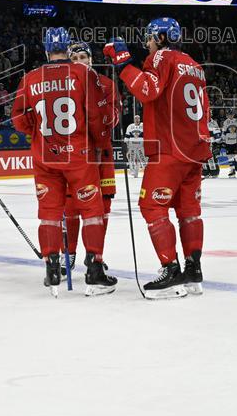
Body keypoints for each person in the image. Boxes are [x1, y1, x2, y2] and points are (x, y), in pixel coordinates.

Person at [103, 17, 210, 298]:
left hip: (170, 149)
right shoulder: (195, 66)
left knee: (151, 205)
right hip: (193, 149)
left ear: (161, 38)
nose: (148, 43)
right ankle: (193, 269)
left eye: (150, 37)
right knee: (189, 210)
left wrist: (124, 63)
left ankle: (170, 269)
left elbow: (148, 90)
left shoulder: (162, 57)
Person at [13, 27, 115, 297]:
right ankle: (94, 270)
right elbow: (96, 116)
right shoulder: (83, 73)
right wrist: (99, 141)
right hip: (79, 154)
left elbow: (19, 119)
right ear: (68, 48)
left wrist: (38, 133)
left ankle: (52, 268)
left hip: (45, 156)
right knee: (92, 212)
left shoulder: (30, 78)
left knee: (49, 214)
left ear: (46, 50)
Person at [65, 41, 120, 270]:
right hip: (74, 155)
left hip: (101, 155)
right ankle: (68, 254)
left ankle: (95, 255)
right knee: (70, 208)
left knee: (102, 208)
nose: (80, 62)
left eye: (83, 57)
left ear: (90, 59)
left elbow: (115, 117)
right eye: (74, 58)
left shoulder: (107, 84)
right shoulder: (63, 87)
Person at [222, 112, 237, 177]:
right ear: (227, 115)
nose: (230, 116)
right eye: (229, 114)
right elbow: (224, 131)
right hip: (228, 141)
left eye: (231, 114)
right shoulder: (225, 122)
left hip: (236, 140)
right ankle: (232, 170)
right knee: (229, 156)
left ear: (233, 115)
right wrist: (223, 139)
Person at [125, 114, 145, 178]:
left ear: (140, 119)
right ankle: (134, 172)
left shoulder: (143, 125)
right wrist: (127, 147)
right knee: (132, 159)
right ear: (134, 120)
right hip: (132, 145)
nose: (137, 120)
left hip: (141, 145)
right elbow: (127, 137)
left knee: (142, 158)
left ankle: (146, 171)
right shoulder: (130, 126)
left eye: (138, 118)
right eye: (135, 118)